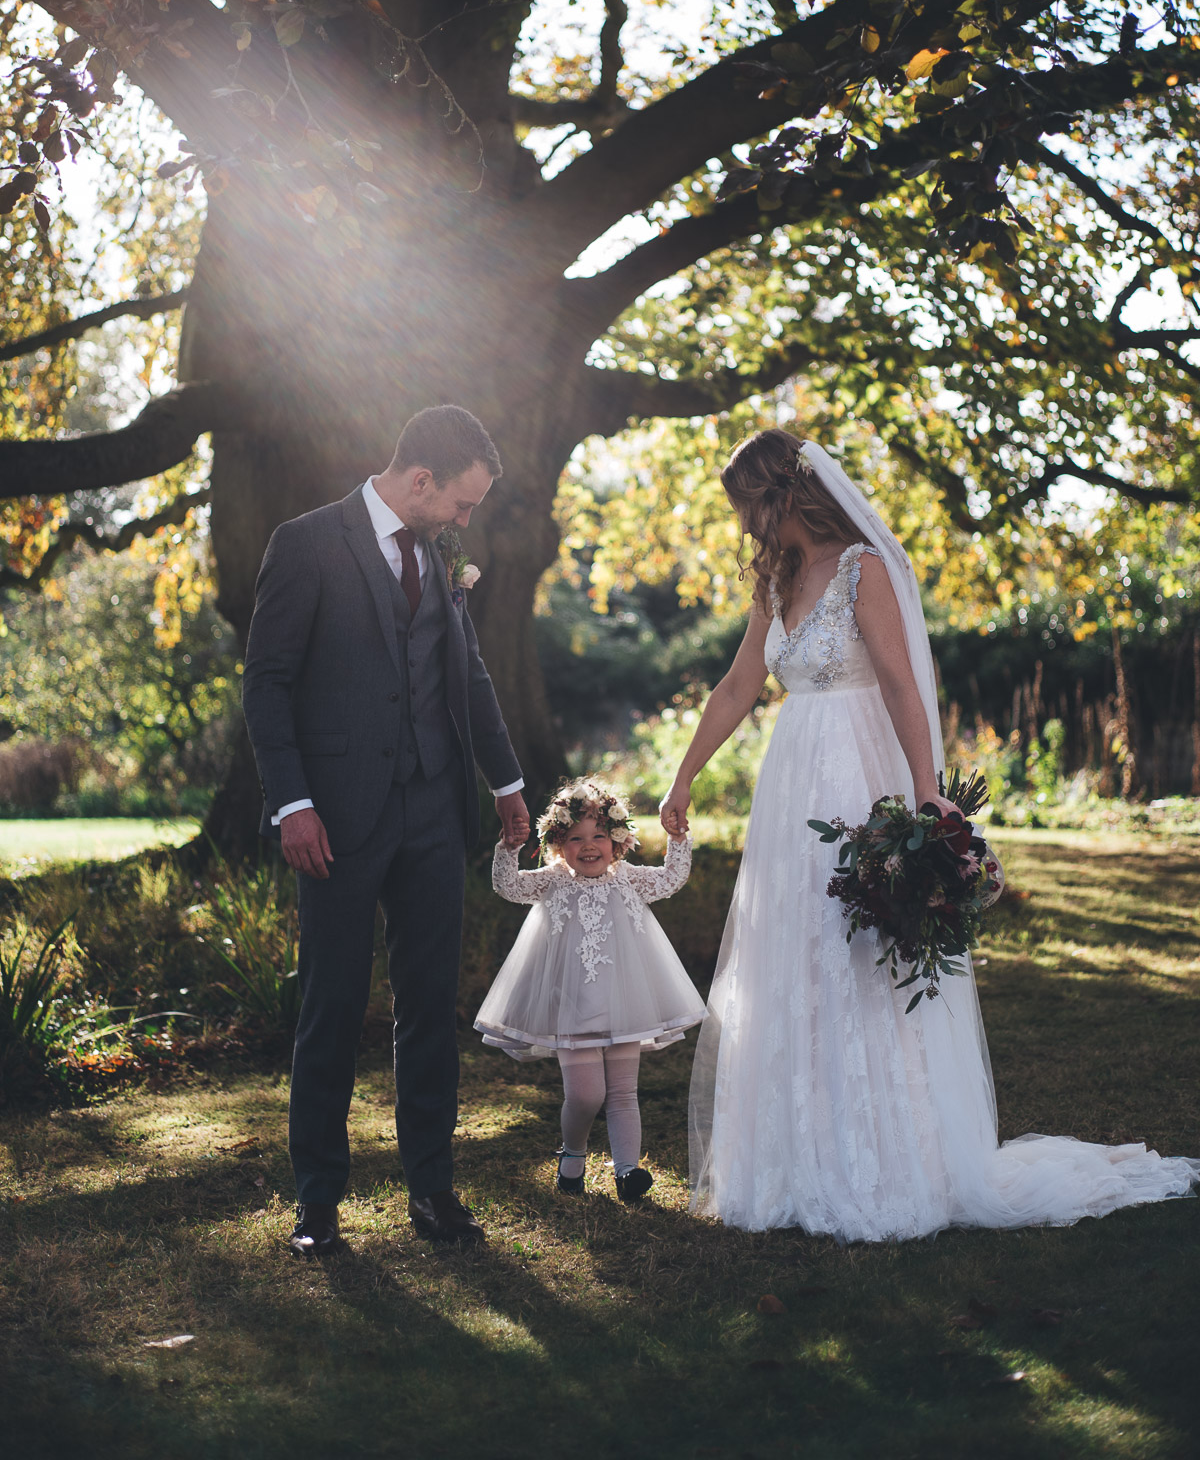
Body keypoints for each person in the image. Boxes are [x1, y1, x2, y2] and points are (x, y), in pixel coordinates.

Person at [659, 428, 1199, 1238]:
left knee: (858, 955)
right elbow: (740, 685)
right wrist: (684, 775)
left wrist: (928, 802)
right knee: (796, 957)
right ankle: (792, 1160)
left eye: (746, 507)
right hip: (788, 790)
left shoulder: (860, 569)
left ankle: (885, 1159)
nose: (742, 526)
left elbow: (907, 690)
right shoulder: (775, 584)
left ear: (779, 498)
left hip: (854, 781)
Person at [242, 404, 530, 1254]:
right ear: (420, 482)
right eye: (463, 504)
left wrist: (507, 783)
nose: (466, 522)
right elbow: (267, 683)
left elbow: (467, 672)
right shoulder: (305, 543)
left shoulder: (440, 553)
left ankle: (433, 1190)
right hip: (333, 818)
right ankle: (317, 1200)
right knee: (332, 1004)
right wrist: (292, 804)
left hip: (435, 812)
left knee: (430, 1006)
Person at [475, 777, 706, 1200]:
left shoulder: (629, 879)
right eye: (576, 837)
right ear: (558, 844)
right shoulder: (552, 881)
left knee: (622, 1092)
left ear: (617, 841)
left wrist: (678, 836)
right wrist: (508, 847)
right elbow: (507, 886)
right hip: (571, 1005)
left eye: (600, 835)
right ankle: (574, 1152)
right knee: (585, 1095)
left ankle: (627, 1171)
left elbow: (672, 878)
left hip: (624, 1002)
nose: (589, 845)